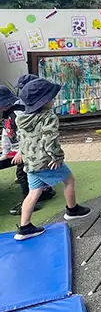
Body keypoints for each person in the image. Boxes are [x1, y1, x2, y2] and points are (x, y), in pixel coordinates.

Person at [14, 77, 92, 240]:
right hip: (46, 161)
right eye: (51, 97)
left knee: (34, 192)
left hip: (30, 162)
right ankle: (72, 210)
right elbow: (50, 139)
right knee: (69, 180)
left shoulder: (21, 119)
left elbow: (22, 138)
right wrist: (57, 157)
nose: (53, 99)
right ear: (43, 101)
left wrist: (20, 152)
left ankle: (25, 227)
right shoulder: (48, 117)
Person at [0, 83, 56, 214]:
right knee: (32, 173)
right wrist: (5, 153)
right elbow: (6, 133)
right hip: (21, 149)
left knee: (23, 174)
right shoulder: (7, 115)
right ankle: (43, 192)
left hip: (27, 148)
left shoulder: (18, 113)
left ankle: (30, 201)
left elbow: (27, 134)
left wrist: (21, 151)